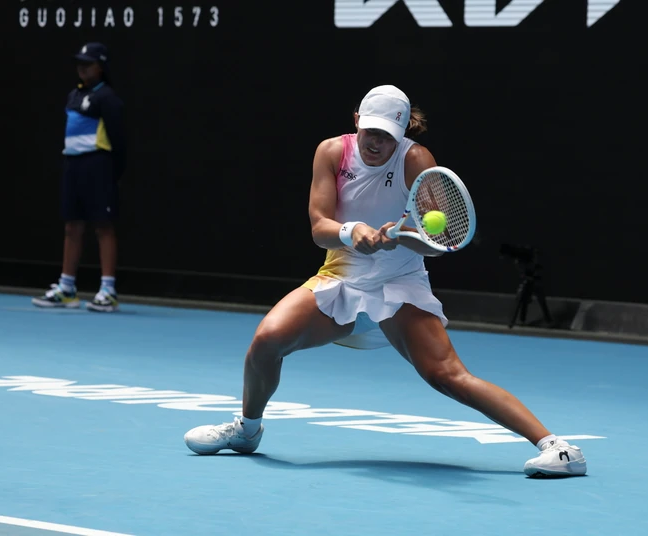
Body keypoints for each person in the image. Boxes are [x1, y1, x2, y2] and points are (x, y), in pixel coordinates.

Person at [184, 85, 587, 478]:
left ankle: (559, 448)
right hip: (340, 279)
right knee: (266, 341)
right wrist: (353, 231)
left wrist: (405, 236)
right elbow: (320, 227)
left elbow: (438, 244)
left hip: (399, 284)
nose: (376, 142)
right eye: (370, 131)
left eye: (387, 136)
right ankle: (247, 430)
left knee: (447, 376)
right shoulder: (331, 152)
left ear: (402, 133)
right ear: (356, 120)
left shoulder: (417, 159)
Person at [32, 42, 127, 313]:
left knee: (103, 226)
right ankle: (67, 288)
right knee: (72, 226)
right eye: (80, 63)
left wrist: (113, 172)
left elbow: (119, 141)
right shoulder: (74, 94)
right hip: (73, 165)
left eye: (89, 63)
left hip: (98, 165)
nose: (82, 67)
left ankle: (108, 291)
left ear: (101, 67)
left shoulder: (107, 98)